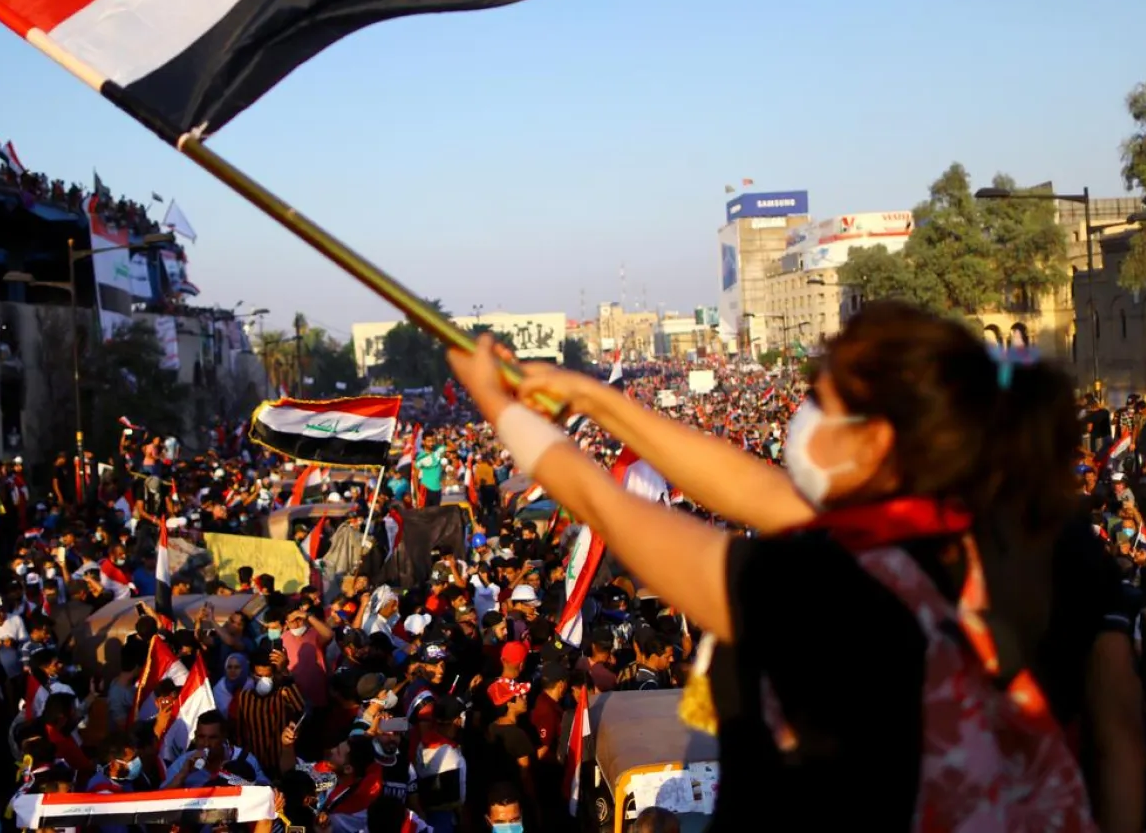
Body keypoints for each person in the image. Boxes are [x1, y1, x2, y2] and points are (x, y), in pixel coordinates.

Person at [449, 302, 1102, 830]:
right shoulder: (958, 542)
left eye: (821, 398)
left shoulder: (827, 584)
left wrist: (502, 409)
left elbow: (608, 507)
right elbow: (750, 490)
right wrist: (595, 400)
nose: (803, 416)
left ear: (876, 440)